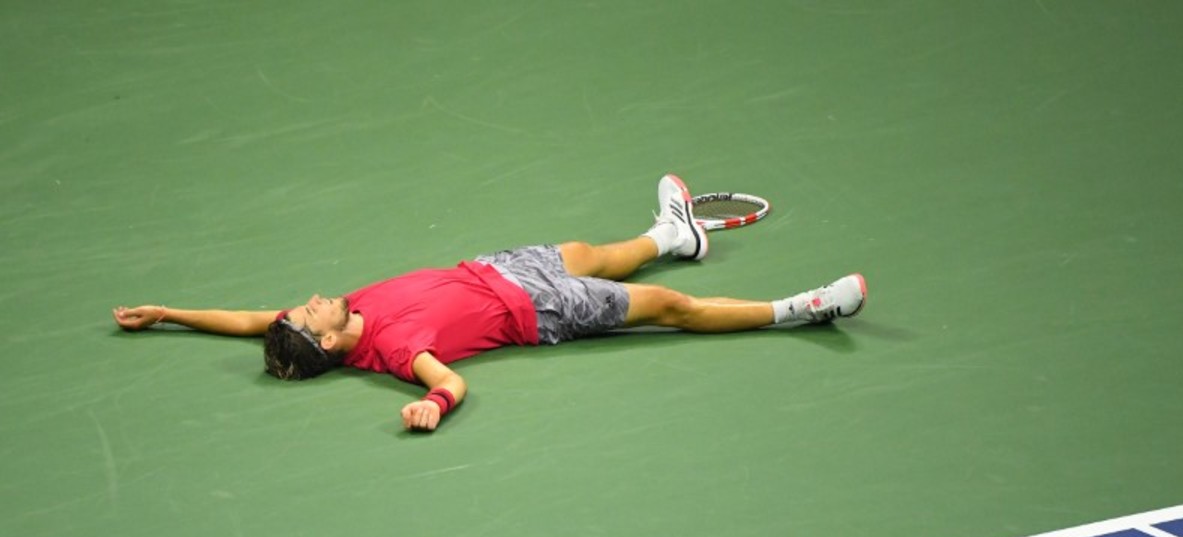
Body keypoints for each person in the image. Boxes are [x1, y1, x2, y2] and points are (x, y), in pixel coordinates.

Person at [113, 175, 867, 432]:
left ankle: (673, 234)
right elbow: (449, 380)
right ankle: (799, 309)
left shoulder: (341, 315)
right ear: (333, 344)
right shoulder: (394, 350)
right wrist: (432, 406)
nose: (311, 300)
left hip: (499, 267)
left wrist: (169, 311)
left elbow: (250, 321)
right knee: (671, 306)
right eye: (311, 314)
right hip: (542, 310)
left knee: (597, 249)